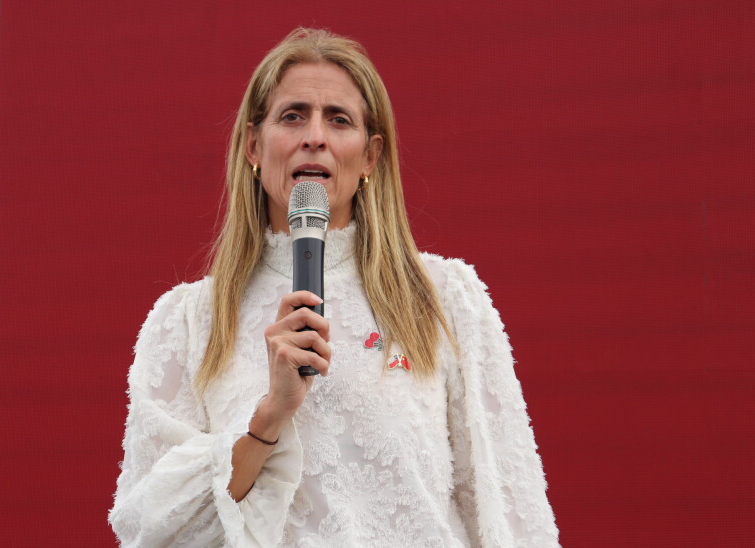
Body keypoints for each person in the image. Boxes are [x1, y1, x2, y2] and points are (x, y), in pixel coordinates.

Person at [109, 28, 559, 547]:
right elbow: (156, 530)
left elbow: (509, 510)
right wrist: (269, 417)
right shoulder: (190, 322)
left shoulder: (442, 297)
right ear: (254, 145)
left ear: (369, 157)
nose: (315, 136)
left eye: (338, 119)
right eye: (293, 115)